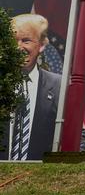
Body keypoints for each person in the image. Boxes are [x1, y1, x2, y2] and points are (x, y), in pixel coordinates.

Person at [1, 14, 61, 161]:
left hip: (41, 180)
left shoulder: (60, 87)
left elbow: (77, 137)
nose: (18, 48)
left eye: (26, 40)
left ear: (41, 45)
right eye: (12, 41)